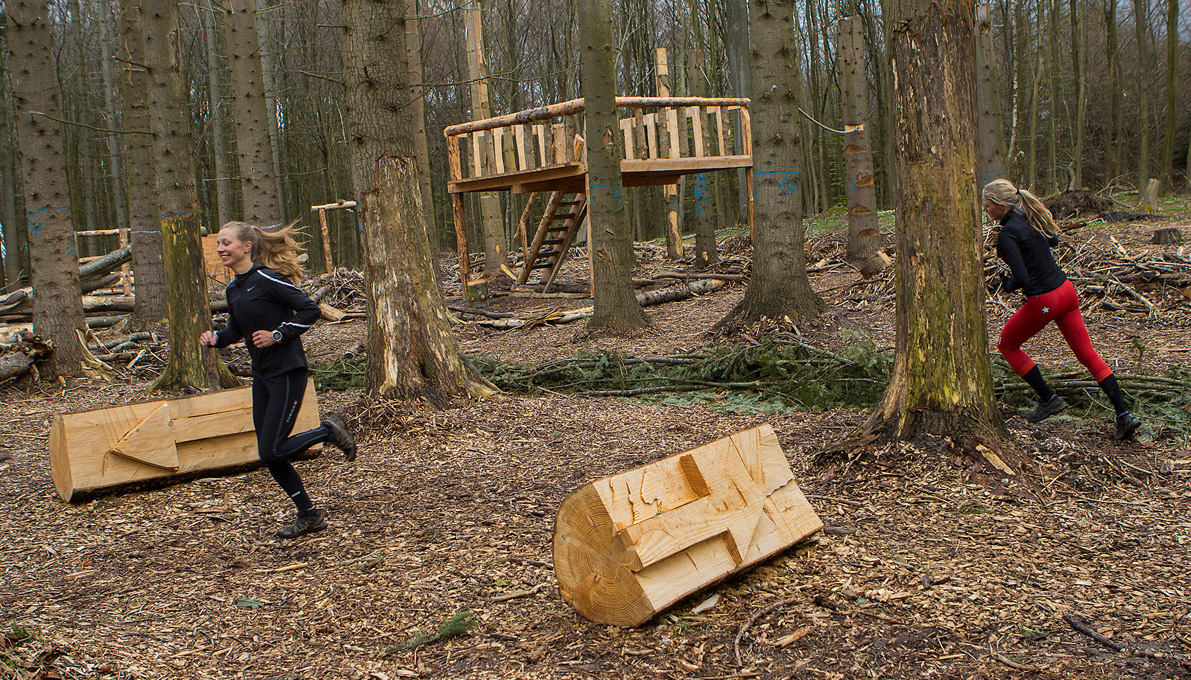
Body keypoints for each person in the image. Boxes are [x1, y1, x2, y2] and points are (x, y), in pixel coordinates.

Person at [200, 221, 358, 538]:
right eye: (219, 243)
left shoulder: (267, 279)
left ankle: (327, 430)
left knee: (272, 451)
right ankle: (310, 515)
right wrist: (216, 338)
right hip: (263, 376)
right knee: (269, 453)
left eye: (226, 243)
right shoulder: (233, 289)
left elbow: (309, 310)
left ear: (246, 246)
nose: (221, 249)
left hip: (288, 371)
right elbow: (236, 329)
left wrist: (277, 335)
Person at [982, 179, 1142, 441]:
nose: (985, 210)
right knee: (1088, 354)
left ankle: (1049, 399)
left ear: (999, 204)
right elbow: (1053, 240)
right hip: (1067, 292)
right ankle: (1124, 415)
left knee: (1006, 345)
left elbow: (1020, 278)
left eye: (987, 205)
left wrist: (1005, 284)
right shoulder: (1031, 217)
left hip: (1045, 300)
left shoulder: (1008, 233)